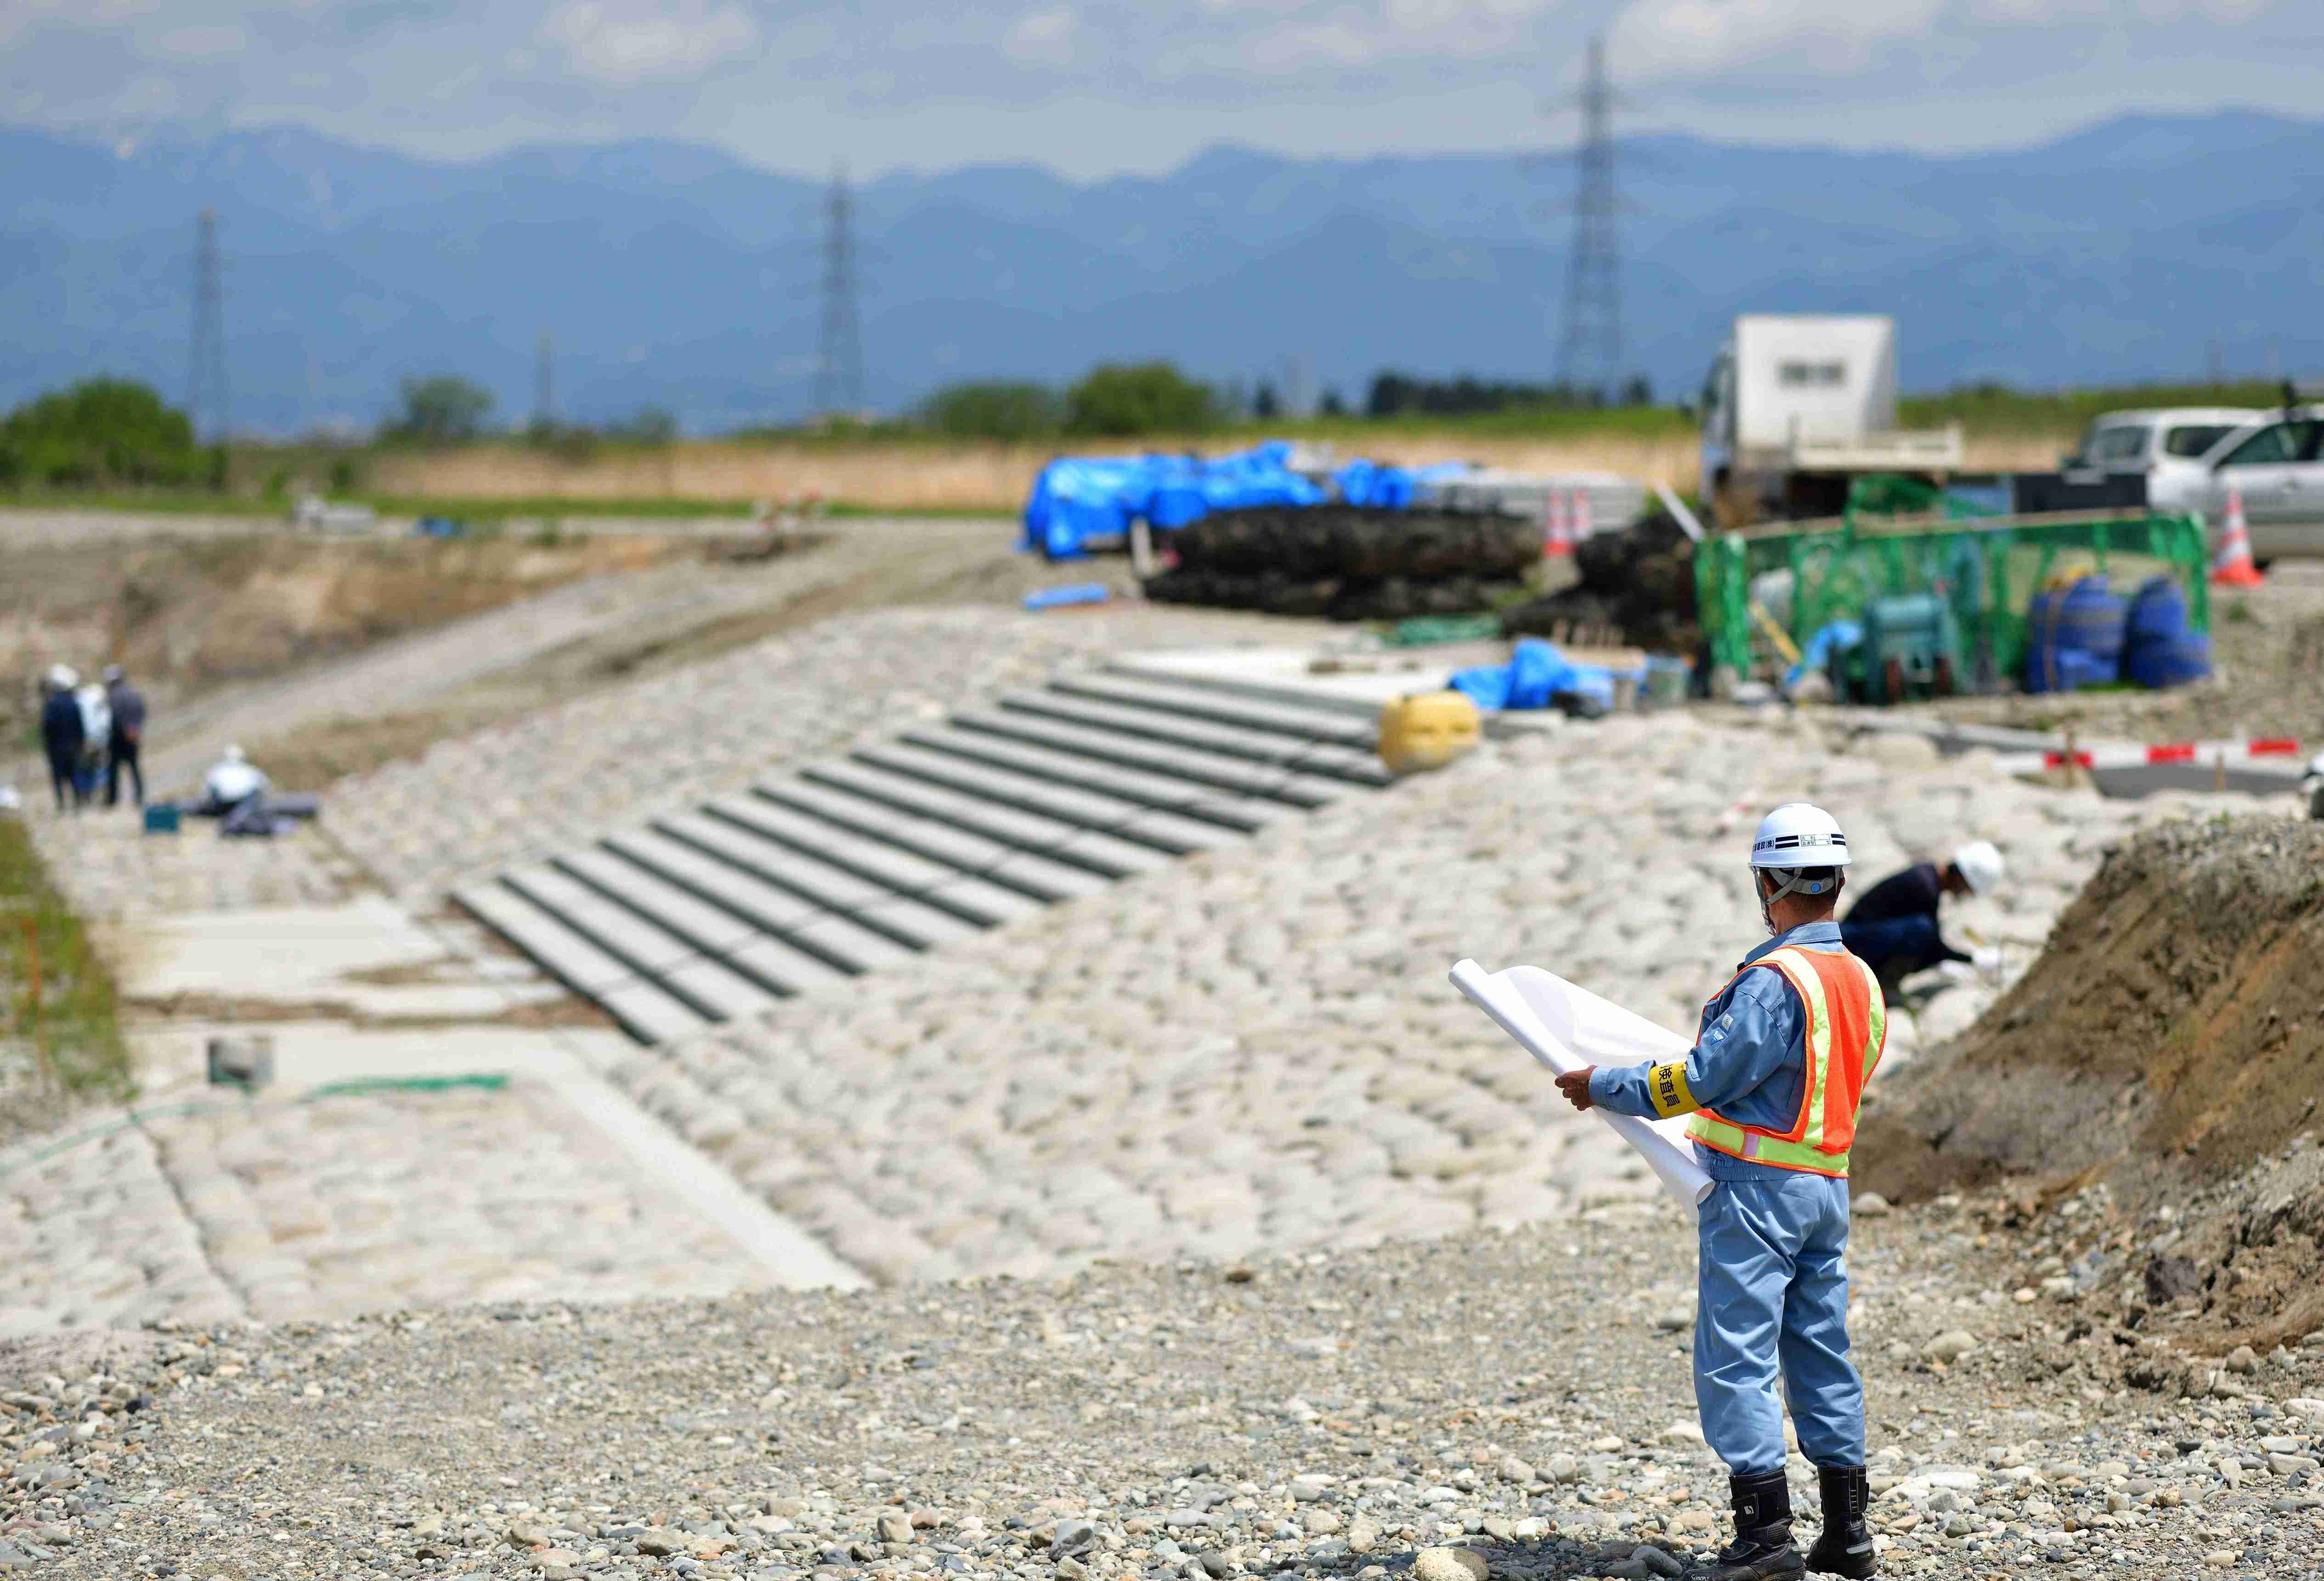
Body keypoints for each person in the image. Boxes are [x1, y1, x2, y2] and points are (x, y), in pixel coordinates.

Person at [1554, 803, 1883, 1581]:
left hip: (1757, 1193)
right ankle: (1847, 1531)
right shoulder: (1859, 978)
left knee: (1734, 1357)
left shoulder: (1776, 980)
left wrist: (1602, 1084)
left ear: (1768, 881)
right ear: (1836, 878)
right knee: (1820, 1351)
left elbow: (1702, 1078)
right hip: (1824, 1186)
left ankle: (1763, 1540)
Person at [1838, 841, 2005, 1000]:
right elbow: (1934, 947)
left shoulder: (1928, 876)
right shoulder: (1926, 888)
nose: (1965, 894)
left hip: (1858, 935)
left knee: (1925, 934)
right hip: (1851, 941)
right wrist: (1971, 959)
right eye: (1968, 889)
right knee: (1923, 930)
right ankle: (1882, 986)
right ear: (1962, 879)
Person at [38, 666, 85, 813]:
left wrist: (48, 743)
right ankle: (77, 802)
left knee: (58, 777)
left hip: (56, 747)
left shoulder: (51, 705)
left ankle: (62, 805)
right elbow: (80, 726)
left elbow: (47, 727)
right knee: (73, 775)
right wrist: (80, 742)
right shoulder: (73, 703)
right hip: (72, 746)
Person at [102, 664, 147, 808]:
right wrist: (135, 729)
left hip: (117, 739)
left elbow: (112, 717)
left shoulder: (113, 696)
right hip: (132, 737)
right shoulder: (134, 693)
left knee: (113, 770)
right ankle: (139, 796)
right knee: (134, 768)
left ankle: (112, 799)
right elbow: (141, 711)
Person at [72, 678, 111, 805]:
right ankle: (101, 792)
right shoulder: (98, 702)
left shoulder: (81, 700)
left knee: (85, 768)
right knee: (100, 767)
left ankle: (86, 795)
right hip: (99, 741)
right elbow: (105, 723)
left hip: (85, 742)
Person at [200, 744, 269, 813]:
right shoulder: (252, 771)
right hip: (245, 804)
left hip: (222, 805)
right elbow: (264, 787)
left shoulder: (216, 771)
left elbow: (206, 791)